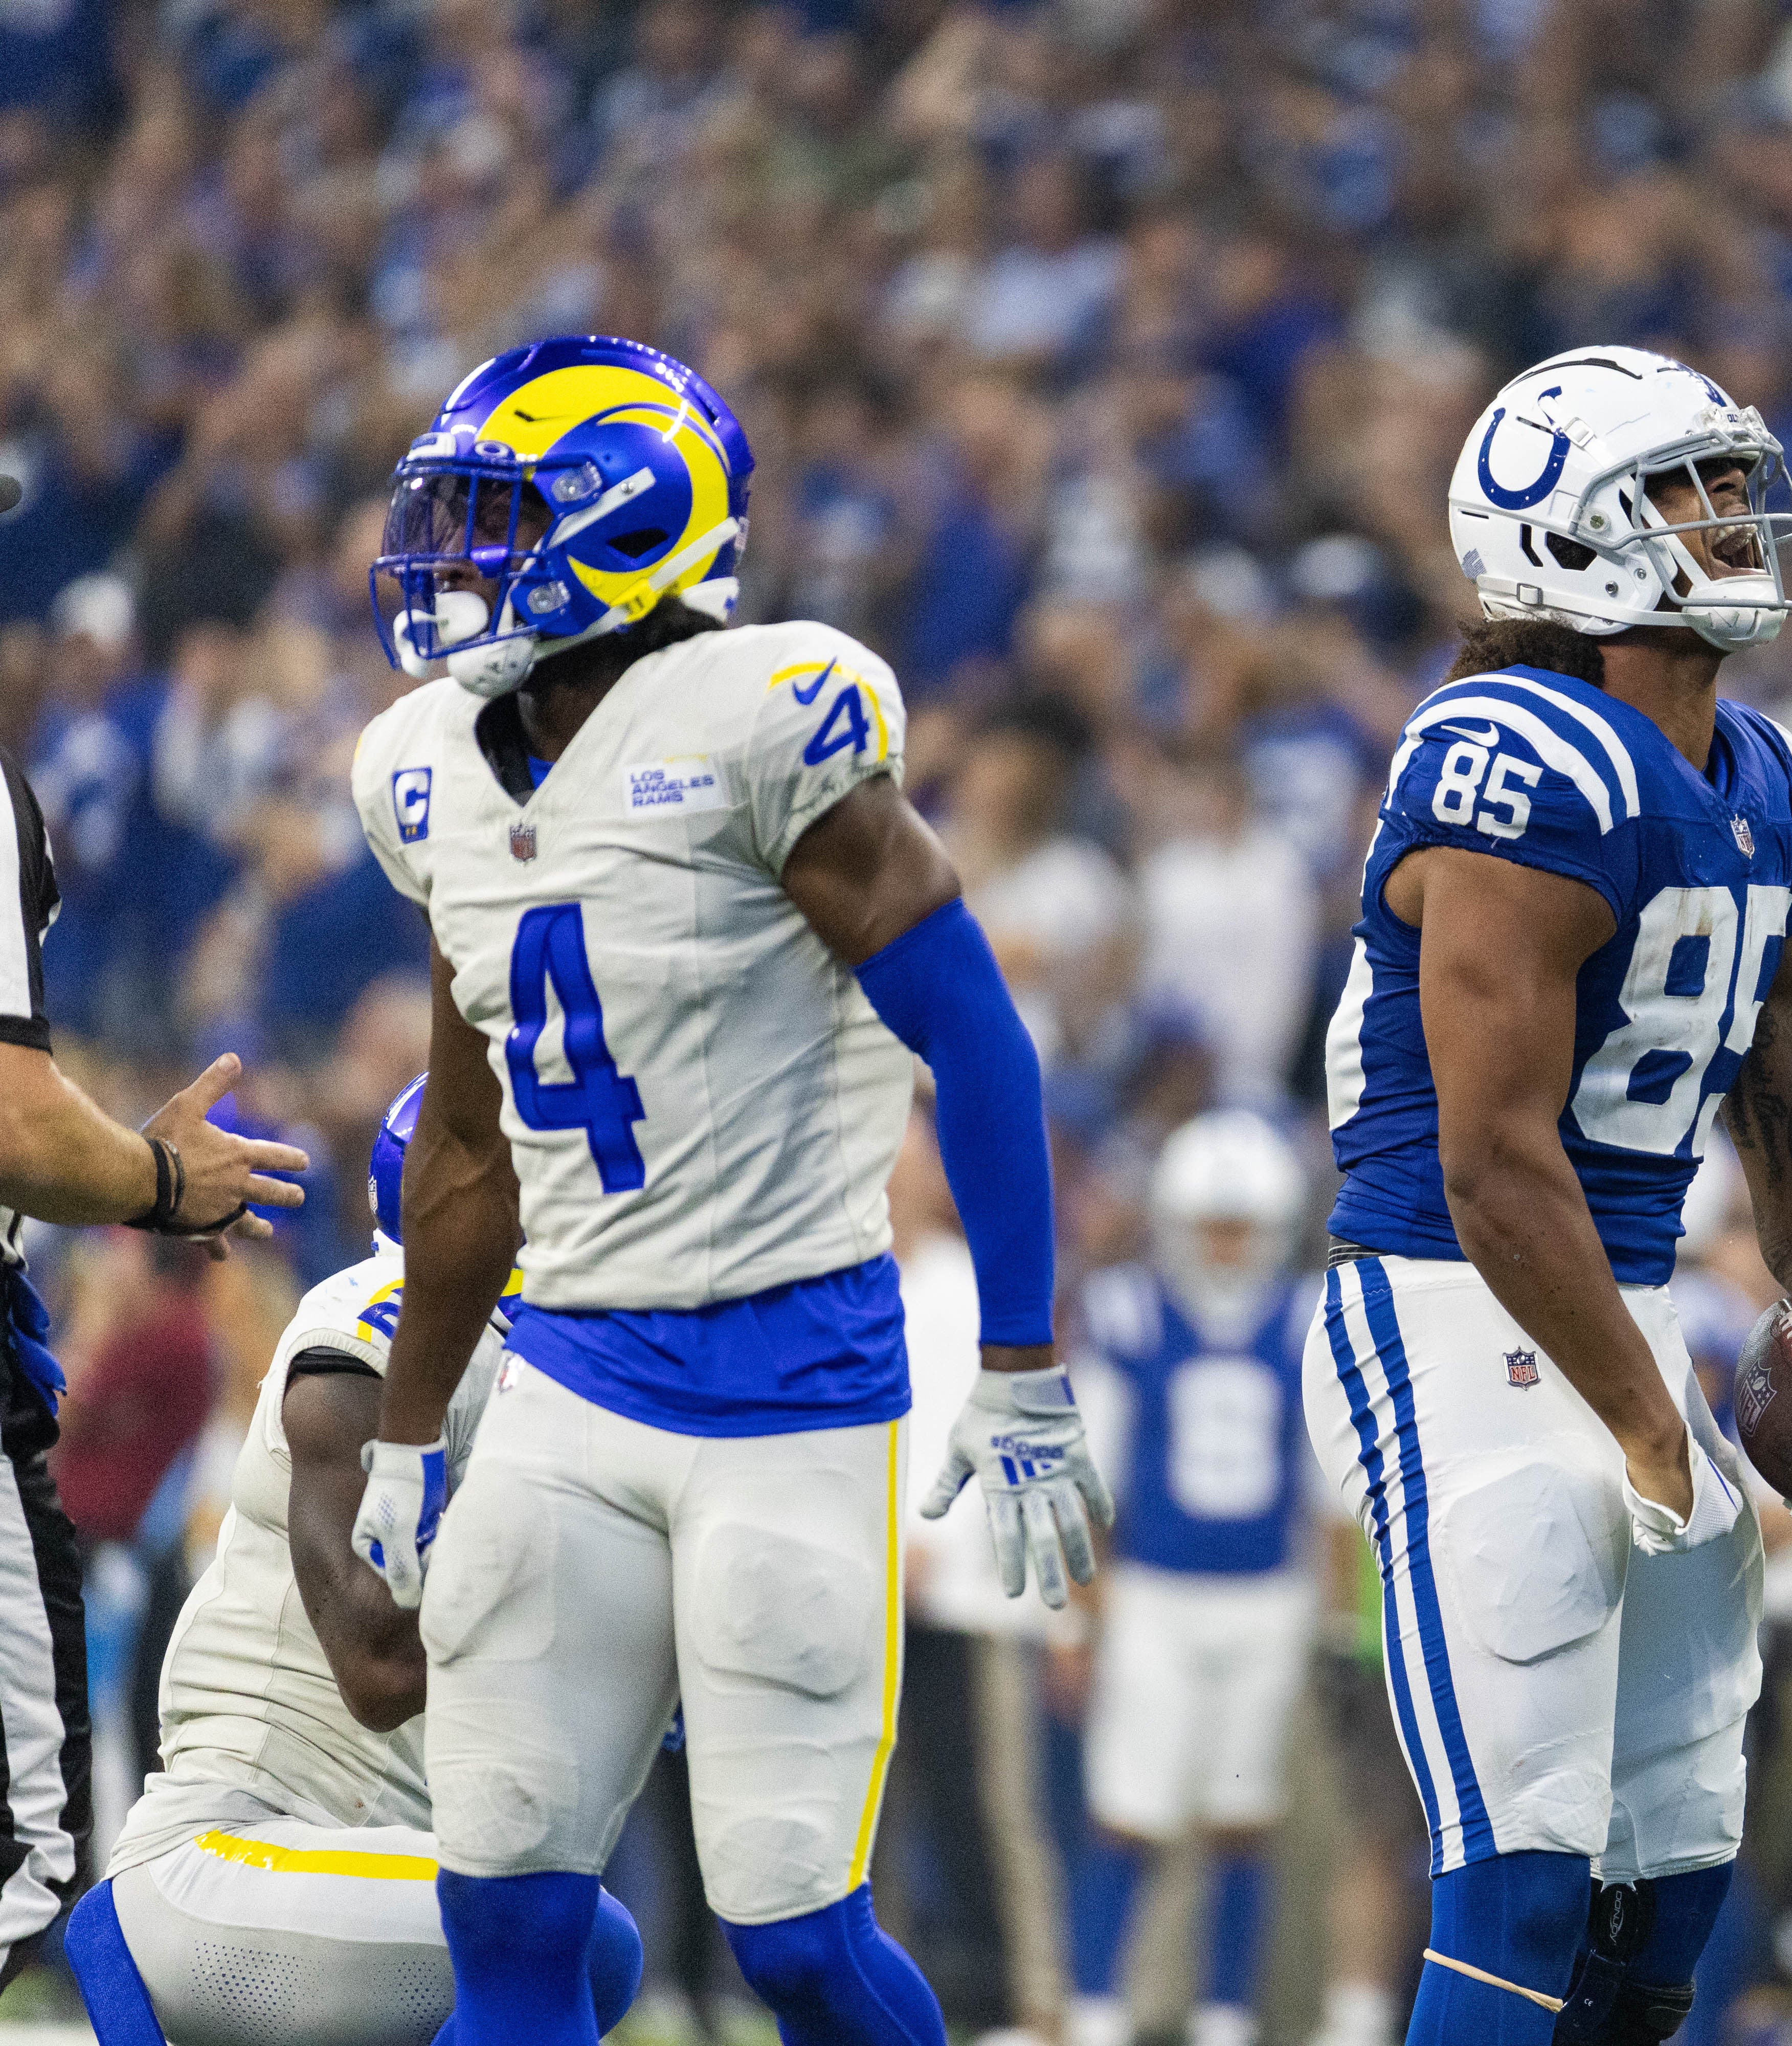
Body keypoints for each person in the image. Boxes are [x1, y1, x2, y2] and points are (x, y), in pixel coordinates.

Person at [340, 333, 1099, 2046]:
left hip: (793, 1386)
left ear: (624, 523)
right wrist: (407, 1433)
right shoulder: (431, 768)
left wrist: (1026, 1353)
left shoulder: (765, 719)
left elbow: (974, 1038)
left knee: (797, 1943)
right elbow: (469, 1148)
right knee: (510, 1913)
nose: (451, 558)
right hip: (567, 1378)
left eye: (494, 517)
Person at [1306, 345, 1792, 2046]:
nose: (1739, 521)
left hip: (1612, 1312)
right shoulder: (1508, 753)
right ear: (1568, 531)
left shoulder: (1768, 780)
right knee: (1526, 1874)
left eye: (1736, 484)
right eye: (1691, 491)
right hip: (1456, 1301)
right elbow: (1489, 1159)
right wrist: (1655, 1426)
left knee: (1667, 1889)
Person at [64, 1079, 646, 2046]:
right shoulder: (379, 1330)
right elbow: (377, 1667)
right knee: (566, 1940)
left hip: (357, 1852)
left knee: (559, 1933)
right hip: (240, 1846)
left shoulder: (525, 1353)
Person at [0, 742, 307, 1987]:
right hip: (130, 1553)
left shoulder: (178, 1337)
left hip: (144, 1559)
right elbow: (13, 1116)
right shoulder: (178, 1330)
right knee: (25, 1851)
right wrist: (162, 1176)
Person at [1066, 1110, 1324, 2046]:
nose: (1224, 1244)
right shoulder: (1129, 1311)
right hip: (1155, 1594)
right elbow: (1092, 1477)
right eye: (1211, 1223)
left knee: (1243, 1819)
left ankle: (1226, 2015)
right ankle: (1096, 2006)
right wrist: (1079, 1616)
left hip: (1267, 1594)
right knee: (1127, 1815)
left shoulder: (1304, 1320)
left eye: (1241, 1225)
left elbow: (1325, 1488)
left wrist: (1330, 1606)